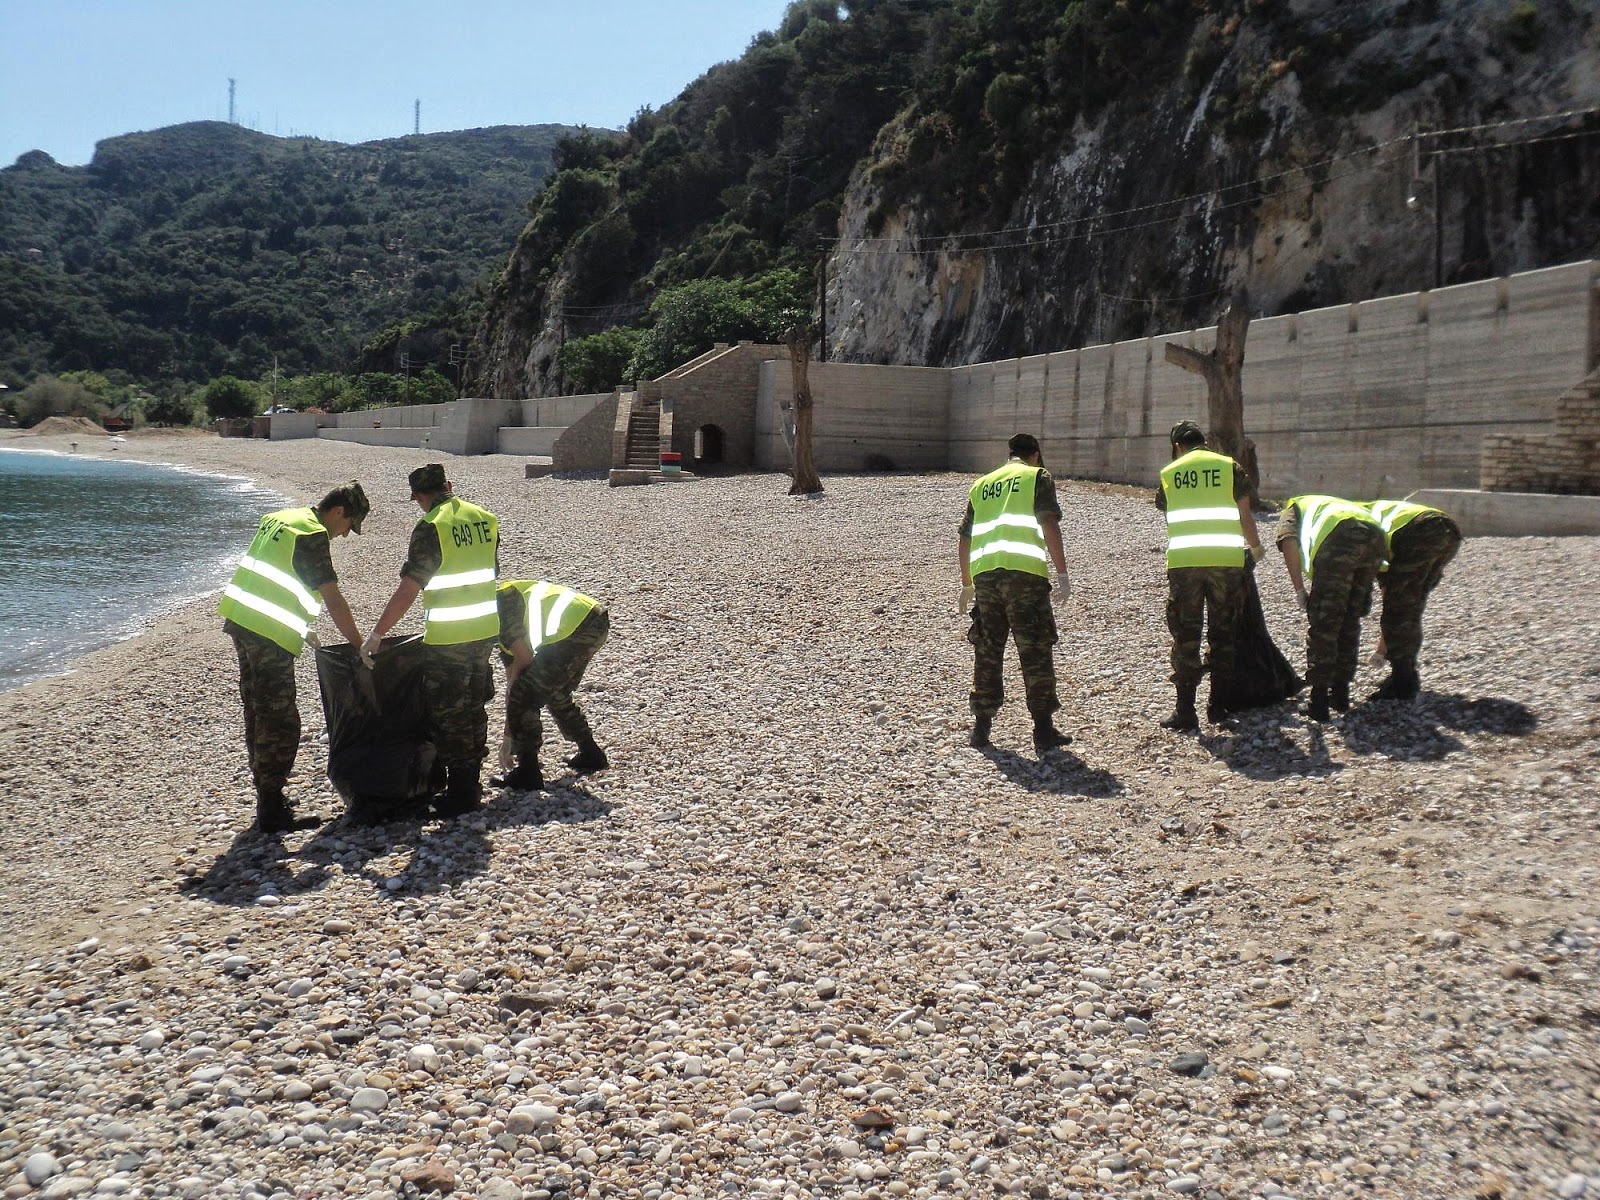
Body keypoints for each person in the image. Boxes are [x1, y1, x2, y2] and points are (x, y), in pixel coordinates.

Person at [218, 481, 370, 833]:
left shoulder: (282, 518)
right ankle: (271, 809)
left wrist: (302, 627)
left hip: (242, 621)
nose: (346, 535)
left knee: (256, 709)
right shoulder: (311, 533)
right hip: (269, 634)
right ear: (338, 512)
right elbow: (333, 598)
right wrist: (360, 644)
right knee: (279, 719)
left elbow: (275, 574)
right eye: (350, 525)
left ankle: (267, 798)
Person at [364, 464, 499, 816]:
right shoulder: (485, 518)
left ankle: (462, 792)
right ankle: (471, 779)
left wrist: (377, 635)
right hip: (484, 628)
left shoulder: (431, 527)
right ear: (449, 485)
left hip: (449, 635)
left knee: (449, 710)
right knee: (473, 704)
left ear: (420, 497)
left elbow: (410, 587)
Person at [957, 432, 1072, 755]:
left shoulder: (983, 484)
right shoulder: (1037, 476)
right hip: (1025, 577)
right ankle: (1043, 731)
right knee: (1034, 649)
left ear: (1009, 455)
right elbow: (1048, 523)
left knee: (988, 649)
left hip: (986, 578)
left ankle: (981, 728)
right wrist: (1061, 572)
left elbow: (965, 537)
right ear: (1035, 454)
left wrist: (967, 583)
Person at [1155, 420, 1264, 730]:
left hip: (1185, 564)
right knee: (1223, 633)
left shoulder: (1169, 474)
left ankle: (1185, 711)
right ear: (1205, 441)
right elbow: (1245, 514)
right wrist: (1255, 548)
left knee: (1185, 635)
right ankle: (1218, 706)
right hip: (1226, 562)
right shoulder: (1229, 467)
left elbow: (1167, 509)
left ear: (1178, 446)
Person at [492, 579, 611, 792]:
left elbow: (522, 666)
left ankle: (528, 771)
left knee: (527, 693)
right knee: (554, 689)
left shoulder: (501, 611)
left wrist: (510, 738)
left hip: (577, 627)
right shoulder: (502, 608)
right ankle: (590, 753)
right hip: (594, 619)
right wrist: (507, 736)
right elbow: (512, 678)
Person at [1274, 494, 1386, 722]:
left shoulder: (1294, 506)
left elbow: (1288, 541)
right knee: (1349, 618)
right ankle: (1340, 694)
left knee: (1325, 625)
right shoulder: (1337, 504)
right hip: (1375, 537)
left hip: (1340, 539)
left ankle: (1319, 701)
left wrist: (1299, 590)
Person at [1362, 498, 1462, 701]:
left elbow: (1391, 602)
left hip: (1419, 532)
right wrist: (1381, 651)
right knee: (1410, 606)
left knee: (1401, 610)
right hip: (1448, 530)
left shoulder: (1356, 525)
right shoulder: (1369, 511)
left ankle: (1403, 682)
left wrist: (1381, 650)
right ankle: (1405, 673)